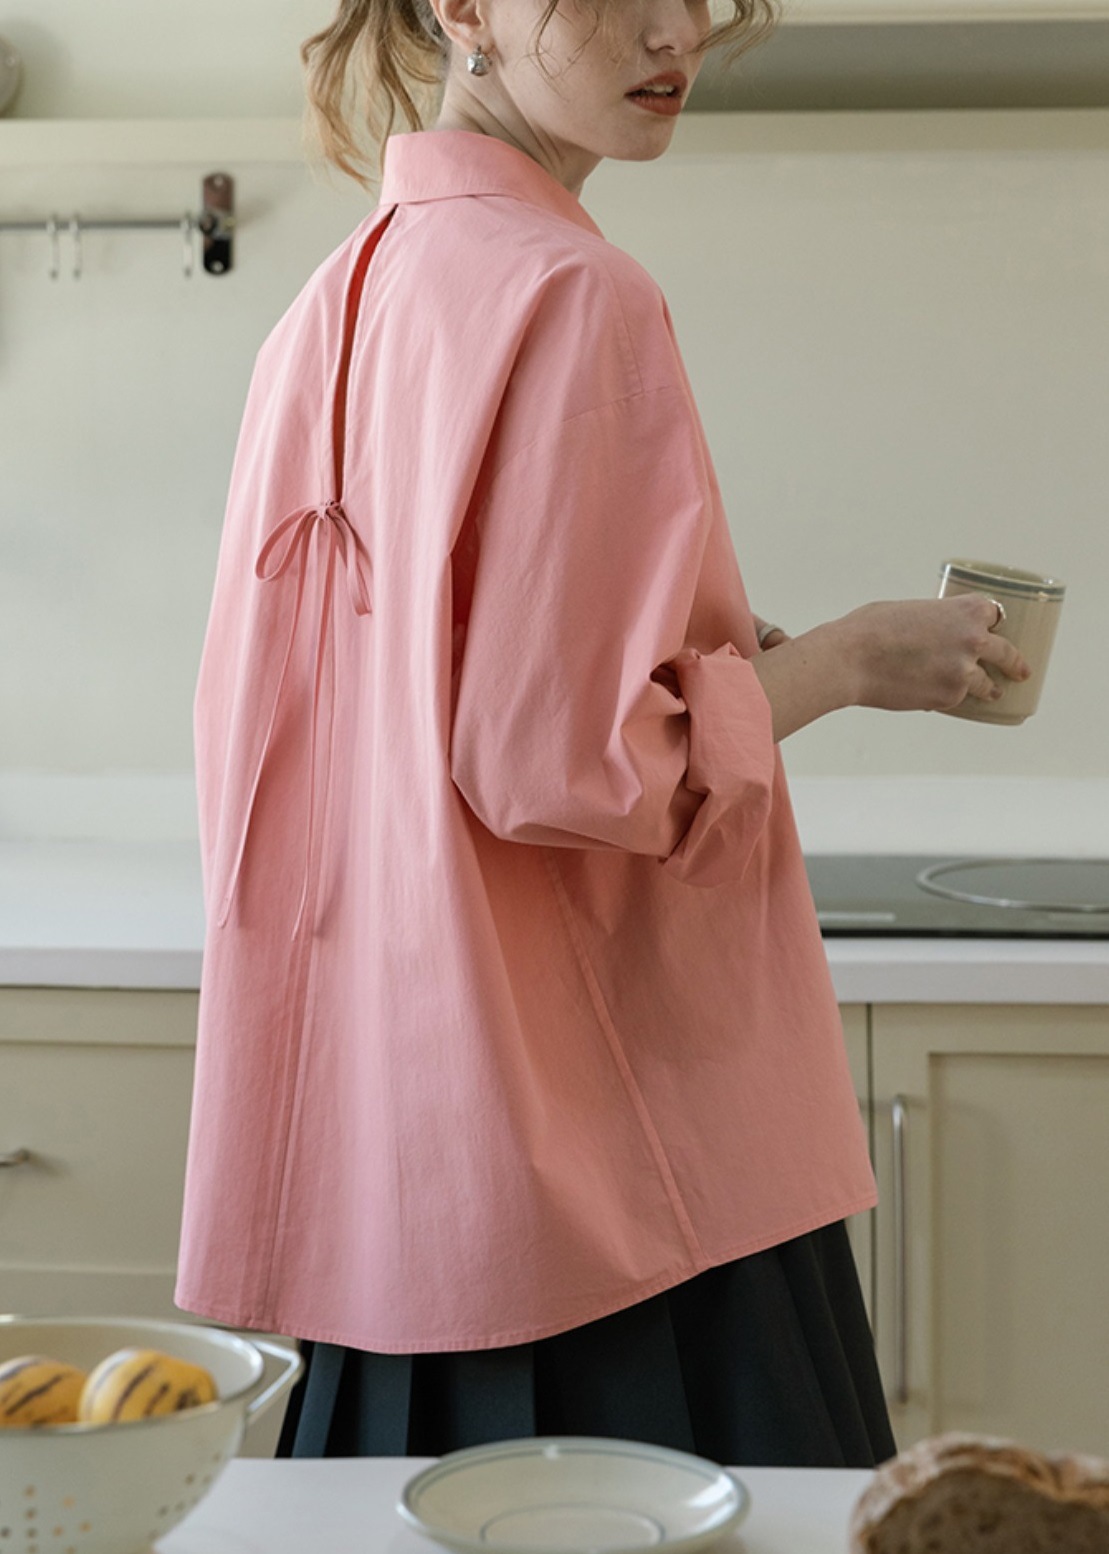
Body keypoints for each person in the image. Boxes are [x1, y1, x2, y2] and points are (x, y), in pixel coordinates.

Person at [175, 0, 1029, 1467]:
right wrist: (847, 662)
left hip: (398, 1177)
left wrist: (709, 667)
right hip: (610, 1178)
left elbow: (375, 719)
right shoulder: (576, 291)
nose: (674, 29)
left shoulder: (332, 304)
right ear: (464, 9)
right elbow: (559, 761)